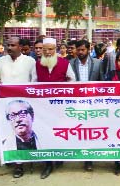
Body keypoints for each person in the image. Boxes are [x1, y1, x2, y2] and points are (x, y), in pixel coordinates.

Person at [0, 36, 37, 178]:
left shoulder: (30, 61)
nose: (9, 47)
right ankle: (15, 161)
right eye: (8, 45)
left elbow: (34, 82)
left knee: (24, 134)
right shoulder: (1, 61)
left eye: (13, 45)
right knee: (8, 135)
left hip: (25, 106)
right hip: (7, 106)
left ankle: (20, 165)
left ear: (20, 47)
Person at [35, 37, 75, 179]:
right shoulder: (37, 64)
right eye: (45, 49)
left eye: (51, 49)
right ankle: (47, 164)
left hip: (60, 107)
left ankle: (58, 157)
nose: (47, 52)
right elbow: (33, 84)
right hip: (43, 108)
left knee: (58, 133)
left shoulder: (64, 63)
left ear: (55, 49)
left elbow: (72, 80)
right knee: (44, 134)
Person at [69, 39, 104, 171]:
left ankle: (88, 160)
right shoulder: (70, 64)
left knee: (90, 131)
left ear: (89, 50)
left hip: (93, 104)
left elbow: (102, 83)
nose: (80, 52)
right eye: (78, 50)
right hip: (76, 104)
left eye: (83, 50)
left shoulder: (98, 63)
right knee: (78, 130)